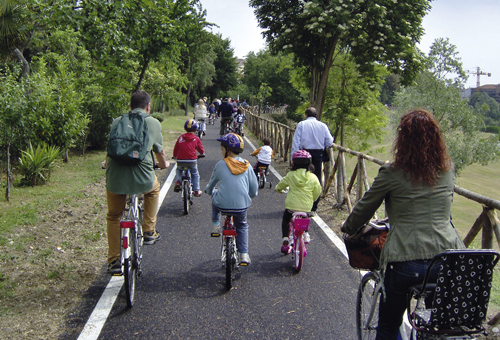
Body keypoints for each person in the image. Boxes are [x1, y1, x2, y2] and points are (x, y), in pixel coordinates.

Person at [341, 109, 465, 340]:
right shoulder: (448, 171)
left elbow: (365, 208)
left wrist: (348, 227)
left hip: (406, 260)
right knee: (437, 324)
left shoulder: (392, 172)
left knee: (388, 326)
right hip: (448, 258)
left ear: (402, 140)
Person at [102, 91, 169, 275]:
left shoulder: (117, 121)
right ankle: (148, 230)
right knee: (153, 190)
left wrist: (105, 164)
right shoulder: (153, 123)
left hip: (115, 178)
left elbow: (111, 148)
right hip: (142, 178)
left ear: (130, 106)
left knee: (114, 216)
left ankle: (114, 260)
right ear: (148, 107)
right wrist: (165, 165)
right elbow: (160, 154)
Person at [205, 133, 258, 265]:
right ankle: (244, 254)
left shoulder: (220, 164)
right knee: (242, 225)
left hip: (222, 205)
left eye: (222, 149)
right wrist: (250, 195)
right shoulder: (247, 166)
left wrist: (209, 191)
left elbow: (211, 184)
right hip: (241, 206)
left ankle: (215, 224)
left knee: (215, 195)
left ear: (227, 150)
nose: (221, 151)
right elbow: (254, 190)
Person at [275, 150, 321, 251]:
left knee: (286, 219)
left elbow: (281, 185)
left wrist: (278, 189)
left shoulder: (291, 175)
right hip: (307, 206)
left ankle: (285, 240)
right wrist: (312, 199)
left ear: (293, 163)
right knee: (305, 216)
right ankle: (306, 233)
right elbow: (318, 190)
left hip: (291, 206)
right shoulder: (313, 177)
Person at [290, 107, 334, 214]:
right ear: (316, 116)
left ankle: (302, 203)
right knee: (317, 178)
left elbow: (296, 142)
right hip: (318, 154)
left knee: (302, 177)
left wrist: (293, 157)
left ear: (306, 115)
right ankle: (314, 205)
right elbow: (329, 142)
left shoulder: (301, 124)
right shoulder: (323, 125)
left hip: (304, 155)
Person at [173, 119, 205, 197]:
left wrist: (174, 156)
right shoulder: (196, 139)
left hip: (180, 160)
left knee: (179, 169)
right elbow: (201, 149)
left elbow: (176, 148)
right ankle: (196, 190)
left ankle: (178, 182)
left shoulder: (180, 137)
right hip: (192, 160)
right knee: (195, 173)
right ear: (196, 129)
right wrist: (202, 154)